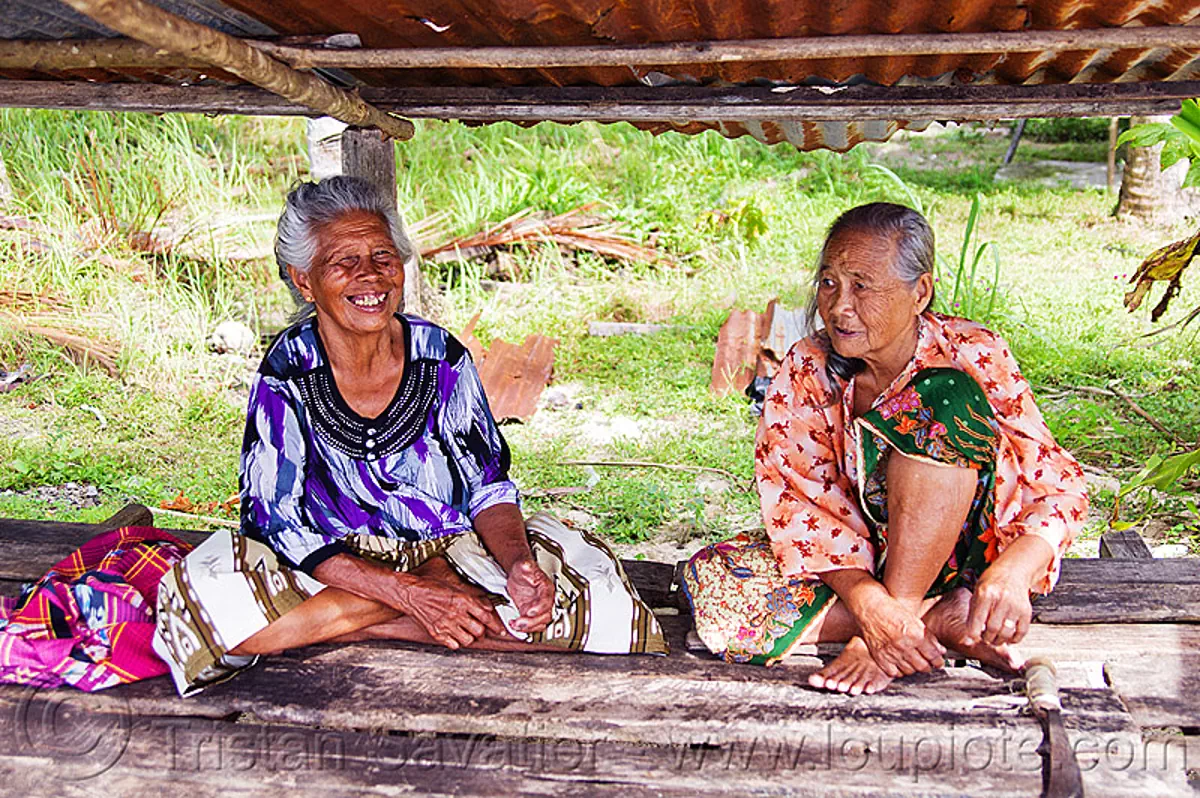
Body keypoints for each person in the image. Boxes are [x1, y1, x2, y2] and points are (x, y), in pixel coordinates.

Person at [153, 177, 665, 696]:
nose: (370, 276)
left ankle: (381, 620)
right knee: (202, 608)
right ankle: (416, 614)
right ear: (304, 281)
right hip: (336, 565)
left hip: (453, 551)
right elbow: (274, 519)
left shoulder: (440, 355)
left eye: (382, 255)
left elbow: (487, 485)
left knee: (609, 614)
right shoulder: (289, 370)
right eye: (343, 262)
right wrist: (410, 591)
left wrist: (516, 566)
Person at [683, 203, 1087, 695]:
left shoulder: (973, 350)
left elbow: (1058, 486)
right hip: (865, 564)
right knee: (714, 582)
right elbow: (799, 501)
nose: (838, 306)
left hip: (968, 560)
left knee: (945, 400)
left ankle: (904, 620)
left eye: (862, 285)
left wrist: (1013, 573)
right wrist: (872, 608)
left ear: (920, 292)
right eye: (829, 282)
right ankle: (930, 619)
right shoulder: (808, 367)